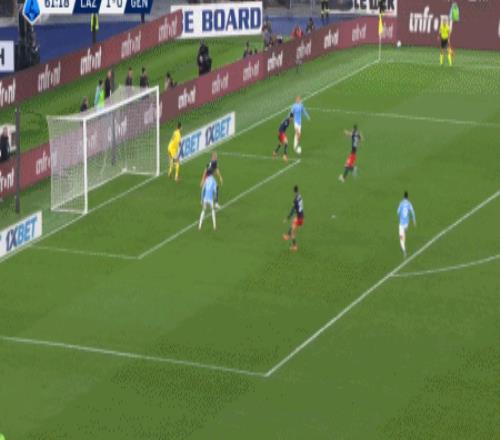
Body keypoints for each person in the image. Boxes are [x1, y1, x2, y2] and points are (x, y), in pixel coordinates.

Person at [283, 185, 304, 252]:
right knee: (293, 221)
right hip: (301, 216)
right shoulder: (300, 196)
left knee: (293, 234)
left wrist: (287, 218)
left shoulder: (295, 200)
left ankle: (294, 246)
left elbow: (293, 210)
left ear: (293, 191)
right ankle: (287, 235)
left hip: (299, 219)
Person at [397, 191, 417, 257]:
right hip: (406, 223)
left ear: (403, 197)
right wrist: (414, 221)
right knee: (404, 234)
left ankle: (404, 250)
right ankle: (404, 240)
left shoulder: (401, 203)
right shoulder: (409, 204)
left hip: (401, 223)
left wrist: (400, 217)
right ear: (407, 197)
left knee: (401, 237)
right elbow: (413, 212)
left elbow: (397, 212)